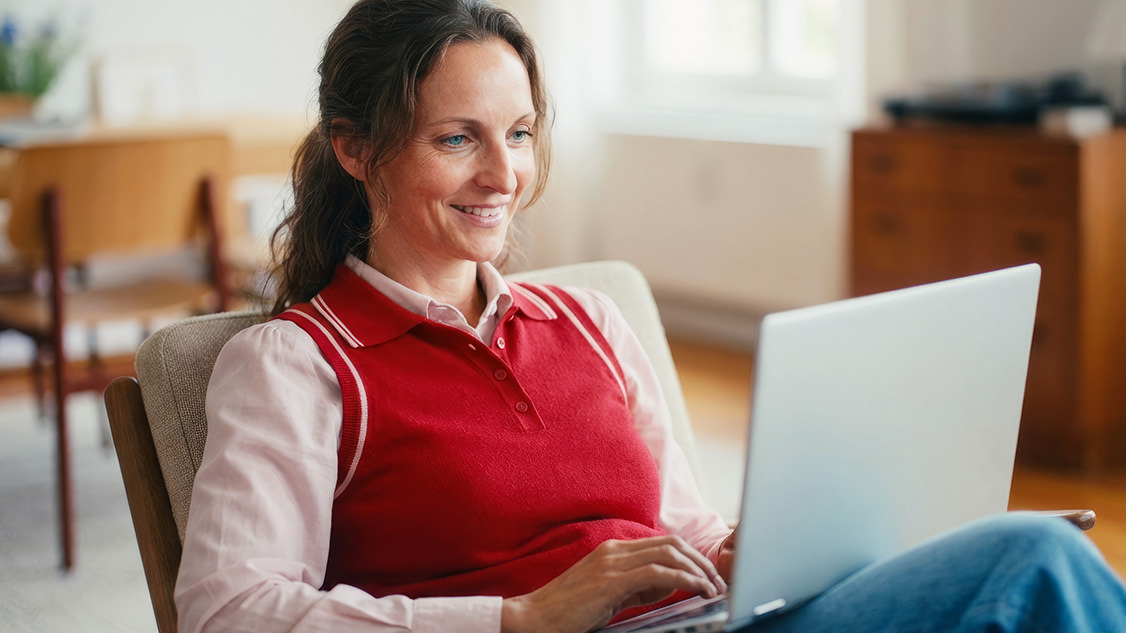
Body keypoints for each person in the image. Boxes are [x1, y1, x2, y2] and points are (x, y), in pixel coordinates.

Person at [174, 1, 1126, 632]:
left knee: (1026, 559)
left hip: (706, 623)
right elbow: (229, 609)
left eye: (518, 134)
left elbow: (682, 526)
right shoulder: (296, 365)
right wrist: (522, 615)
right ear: (354, 148)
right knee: (1032, 564)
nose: (504, 176)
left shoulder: (587, 319)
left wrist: (736, 549)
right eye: (456, 138)